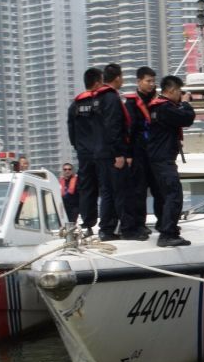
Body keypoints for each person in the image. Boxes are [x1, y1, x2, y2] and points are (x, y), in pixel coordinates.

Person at [145, 75, 196, 247]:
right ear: (172, 90)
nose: (180, 95)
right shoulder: (165, 108)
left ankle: (167, 228)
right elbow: (187, 118)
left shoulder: (156, 107)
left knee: (163, 195)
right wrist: (186, 103)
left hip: (156, 158)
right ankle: (167, 234)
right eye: (179, 92)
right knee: (174, 194)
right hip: (163, 159)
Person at [102, 64, 148, 240]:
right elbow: (114, 128)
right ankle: (128, 229)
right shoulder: (112, 99)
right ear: (117, 78)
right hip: (115, 155)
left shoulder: (99, 98)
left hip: (101, 155)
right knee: (124, 192)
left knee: (108, 193)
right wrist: (120, 154)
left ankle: (106, 229)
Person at [66, 67, 113, 234]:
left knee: (87, 189)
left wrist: (79, 147)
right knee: (106, 188)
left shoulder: (74, 106)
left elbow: (71, 133)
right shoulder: (99, 103)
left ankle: (87, 224)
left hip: (84, 153)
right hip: (101, 152)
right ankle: (106, 226)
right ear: (98, 82)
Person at [122, 66, 162, 238]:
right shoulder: (131, 104)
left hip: (156, 152)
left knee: (160, 189)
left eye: (153, 81)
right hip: (138, 152)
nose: (152, 84)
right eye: (148, 81)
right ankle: (139, 224)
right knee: (138, 191)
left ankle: (164, 221)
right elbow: (127, 130)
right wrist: (128, 154)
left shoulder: (159, 102)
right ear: (139, 82)